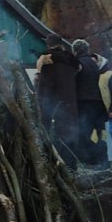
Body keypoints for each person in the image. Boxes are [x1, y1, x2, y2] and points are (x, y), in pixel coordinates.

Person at [35, 34, 80, 170]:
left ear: (49, 44)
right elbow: (79, 69)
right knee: (70, 133)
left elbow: (42, 80)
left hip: (53, 104)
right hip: (70, 102)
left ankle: (57, 166)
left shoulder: (45, 59)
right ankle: (72, 166)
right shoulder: (71, 60)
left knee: (52, 134)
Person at [72, 39, 109, 169]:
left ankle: (92, 160)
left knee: (83, 133)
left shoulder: (79, 64)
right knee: (99, 133)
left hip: (84, 103)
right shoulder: (98, 64)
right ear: (87, 49)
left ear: (75, 51)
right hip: (100, 103)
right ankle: (103, 160)